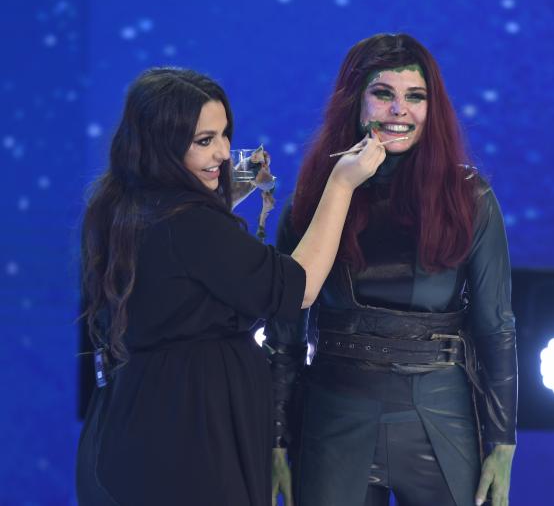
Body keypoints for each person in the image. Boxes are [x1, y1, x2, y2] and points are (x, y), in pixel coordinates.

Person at [75, 67, 385, 505]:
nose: (223, 152)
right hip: (190, 441)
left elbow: (187, 253)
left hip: (134, 428)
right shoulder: (191, 225)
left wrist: (227, 184)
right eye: (205, 141)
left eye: (224, 135)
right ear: (162, 144)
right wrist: (342, 183)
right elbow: (299, 288)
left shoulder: (121, 205)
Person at [268, 33, 518, 506]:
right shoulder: (314, 200)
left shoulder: (470, 198)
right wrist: (276, 438)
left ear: (432, 107)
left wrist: (503, 442)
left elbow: (496, 326)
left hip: (440, 414)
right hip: (334, 415)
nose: (399, 110)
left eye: (415, 97)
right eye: (383, 94)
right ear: (355, 102)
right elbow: (284, 333)